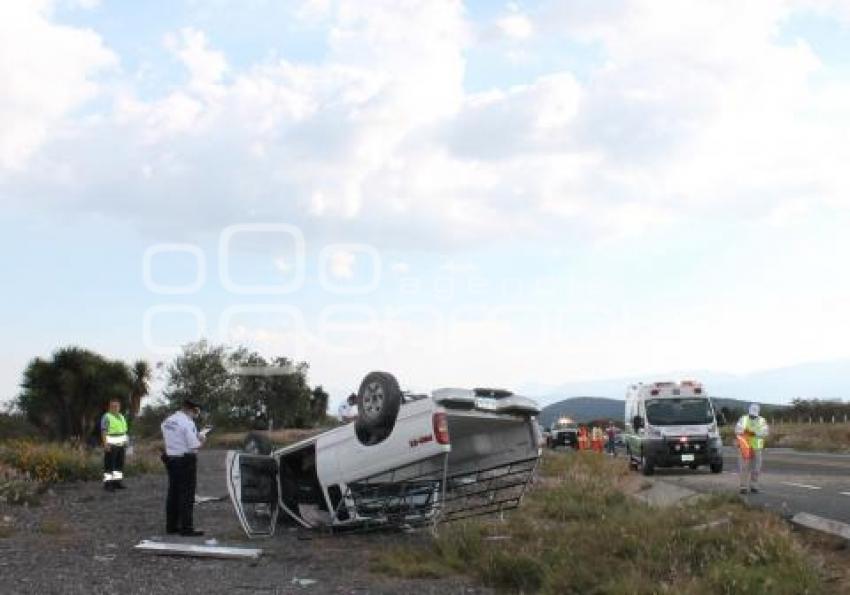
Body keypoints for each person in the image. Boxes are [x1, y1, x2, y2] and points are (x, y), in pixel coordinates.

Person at [161, 399, 207, 536]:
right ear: (191, 410)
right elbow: (194, 445)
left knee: (173, 493)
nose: (196, 415)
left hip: (171, 458)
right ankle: (186, 528)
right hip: (185, 460)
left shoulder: (168, 421)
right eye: (196, 412)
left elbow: (174, 437)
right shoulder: (187, 423)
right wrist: (202, 439)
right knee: (186, 495)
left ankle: (171, 526)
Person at [735, 403, 769, 494]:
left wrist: (754, 433)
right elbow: (737, 430)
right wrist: (745, 431)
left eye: (754, 415)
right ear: (749, 412)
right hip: (745, 447)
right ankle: (743, 487)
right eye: (751, 414)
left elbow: (765, 432)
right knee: (744, 467)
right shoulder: (743, 419)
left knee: (756, 468)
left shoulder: (762, 420)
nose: (752, 416)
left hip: (757, 448)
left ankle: (754, 485)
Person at [101, 398, 129, 491]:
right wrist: (106, 444)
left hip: (121, 445)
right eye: (113, 406)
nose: (115, 408)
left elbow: (124, 430)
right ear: (110, 407)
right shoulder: (106, 416)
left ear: (119, 407)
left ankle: (117, 482)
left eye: (117, 406)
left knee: (119, 465)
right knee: (109, 465)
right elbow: (104, 431)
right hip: (111, 445)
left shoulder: (121, 416)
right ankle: (108, 485)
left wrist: (126, 441)